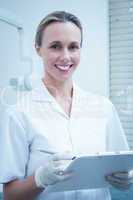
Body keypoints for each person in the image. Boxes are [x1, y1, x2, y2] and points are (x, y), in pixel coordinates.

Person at [0, 10, 133, 200]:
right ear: (38, 48)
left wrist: (126, 178)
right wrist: (39, 179)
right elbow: (10, 195)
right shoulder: (19, 113)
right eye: (55, 46)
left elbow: (122, 165)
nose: (65, 56)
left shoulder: (103, 108)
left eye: (73, 47)